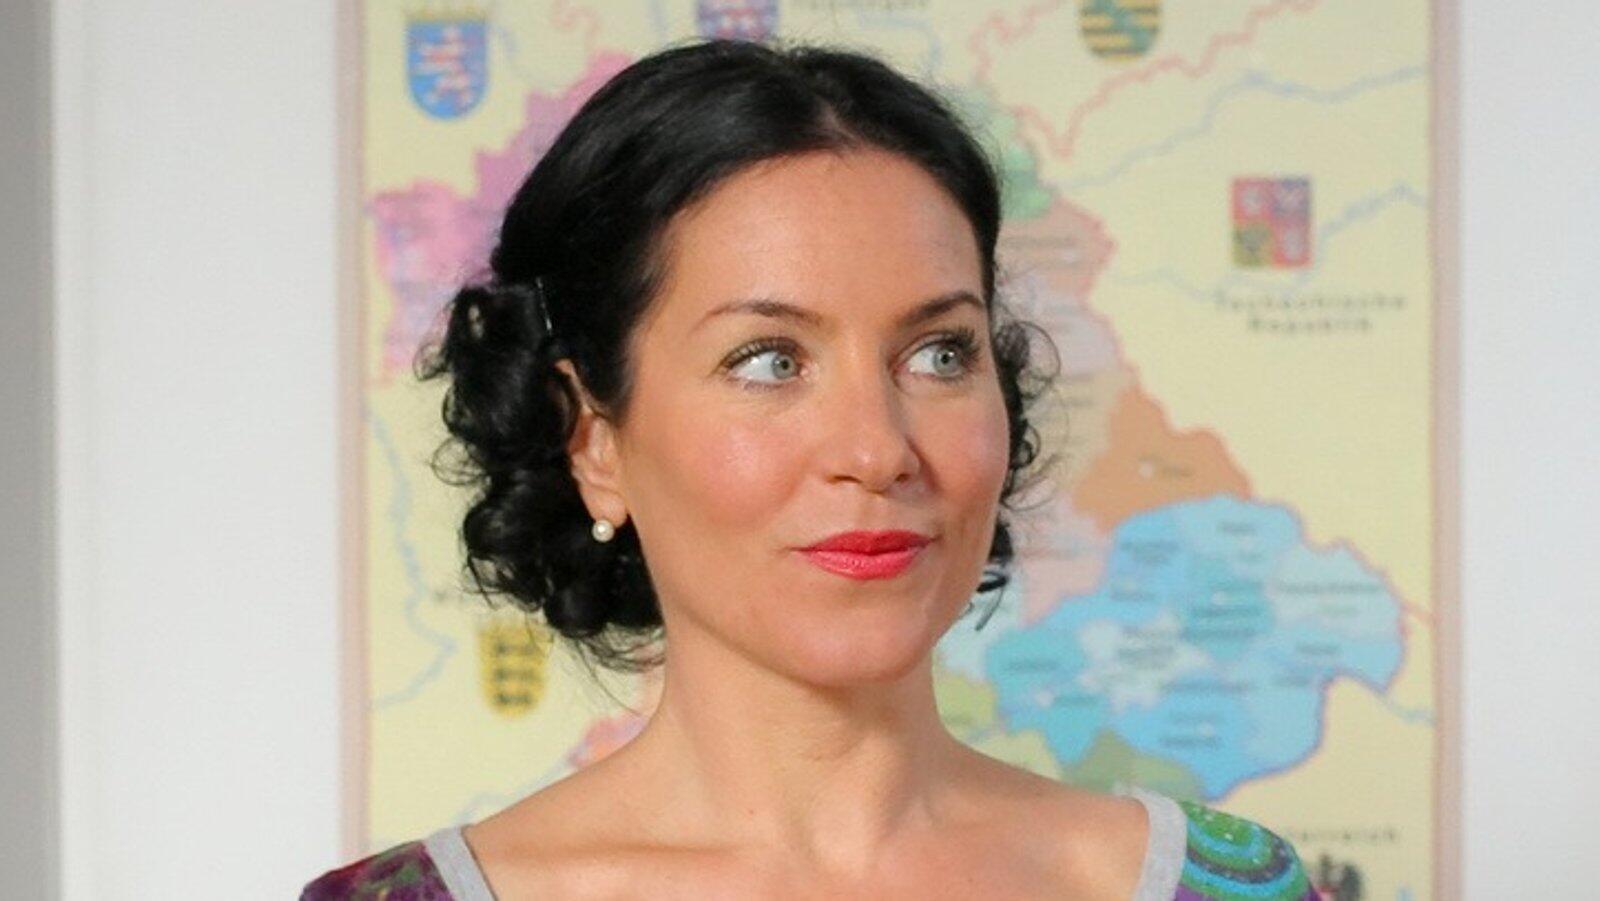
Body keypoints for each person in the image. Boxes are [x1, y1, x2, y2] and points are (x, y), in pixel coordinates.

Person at [304, 37, 1315, 900]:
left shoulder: (1216, 884)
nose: (877, 449)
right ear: (592, 438)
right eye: (768, 361)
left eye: (940, 354)